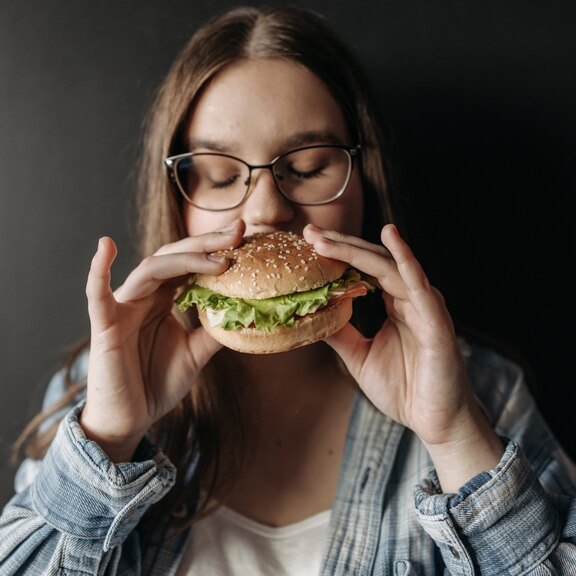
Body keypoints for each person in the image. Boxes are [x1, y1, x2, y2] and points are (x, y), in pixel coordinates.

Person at [1, 5, 575, 575]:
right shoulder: (90, 398)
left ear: (363, 185)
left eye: (306, 167)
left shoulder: (486, 399)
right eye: (223, 175)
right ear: (177, 201)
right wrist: (111, 437)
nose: (268, 209)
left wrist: (454, 439)